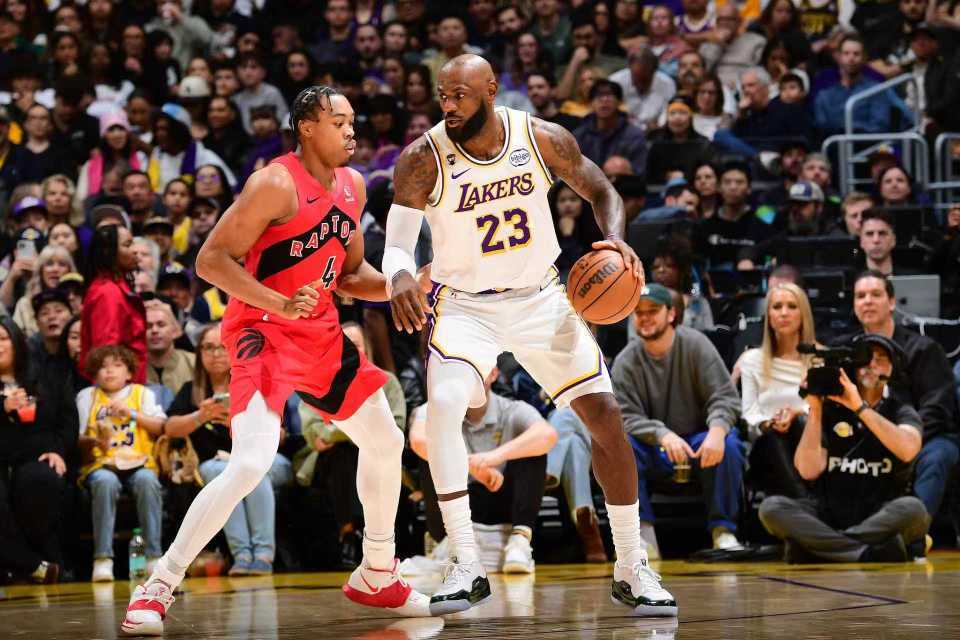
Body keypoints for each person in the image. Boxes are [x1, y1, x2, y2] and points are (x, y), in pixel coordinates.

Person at [122, 85, 431, 637]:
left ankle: (377, 572)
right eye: (339, 122)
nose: (351, 131)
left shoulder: (354, 185)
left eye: (353, 122)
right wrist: (280, 302)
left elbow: (350, 277)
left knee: (385, 439)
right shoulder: (274, 183)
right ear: (307, 127)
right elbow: (210, 261)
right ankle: (159, 584)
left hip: (319, 334)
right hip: (261, 331)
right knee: (249, 463)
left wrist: (404, 284)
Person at [386, 54, 676, 616]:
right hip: (465, 304)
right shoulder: (423, 157)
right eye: (443, 95)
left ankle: (631, 565)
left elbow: (603, 191)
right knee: (443, 408)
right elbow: (397, 243)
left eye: (460, 95)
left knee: (605, 418)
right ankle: (466, 563)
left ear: (491, 90)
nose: (449, 106)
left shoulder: (540, 138)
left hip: (541, 297)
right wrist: (399, 274)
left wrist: (616, 239)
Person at [759, 334, 930, 563]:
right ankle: (865, 552)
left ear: (892, 369)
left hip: (880, 513)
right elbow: (808, 471)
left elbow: (908, 449)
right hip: (827, 514)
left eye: (881, 358)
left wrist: (860, 408)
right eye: (865, 357)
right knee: (771, 508)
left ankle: (818, 549)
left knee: (914, 510)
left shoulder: (901, 410)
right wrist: (816, 409)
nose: (871, 364)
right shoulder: (829, 410)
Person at [613, 284, 745, 558]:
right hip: (653, 447)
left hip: (698, 440)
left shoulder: (696, 344)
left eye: (653, 311)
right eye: (639, 312)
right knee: (621, 447)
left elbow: (724, 397)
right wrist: (661, 434)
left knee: (729, 443)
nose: (645, 318)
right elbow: (624, 416)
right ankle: (643, 537)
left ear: (671, 314)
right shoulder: (626, 360)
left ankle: (723, 531)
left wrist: (717, 430)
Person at [163, 323, 290, 576]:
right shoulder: (192, 390)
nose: (216, 354)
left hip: (265, 458)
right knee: (221, 472)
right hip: (216, 462)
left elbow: (282, 434)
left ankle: (263, 554)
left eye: (223, 347)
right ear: (199, 353)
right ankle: (242, 555)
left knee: (252, 470)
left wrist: (239, 420)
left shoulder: (255, 383)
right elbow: (170, 428)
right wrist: (201, 416)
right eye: (208, 347)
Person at [409, 368, 557, 574]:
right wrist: (471, 465)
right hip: (458, 504)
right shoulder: (438, 407)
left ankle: (520, 540)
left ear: (494, 373)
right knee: (431, 451)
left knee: (534, 447)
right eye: (466, 369)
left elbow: (548, 435)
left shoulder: (512, 409)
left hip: (504, 501)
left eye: (479, 368)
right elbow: (417, 440)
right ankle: (444, 543)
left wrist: (492, 458)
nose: (473, 377)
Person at [850, 271, 959, 538]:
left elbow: (937, 409)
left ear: (891, 302)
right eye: (860, 296)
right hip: (863, 436)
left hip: (922, 437)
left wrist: (901, 439)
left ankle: (912, 534)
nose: (867, 301)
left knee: (939, 456)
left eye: (876, 294)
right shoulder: (846, 351)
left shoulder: (924, 349)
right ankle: (845, 529)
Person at [293, 321, 407, 570]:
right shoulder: (314, 380)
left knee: (371, 449)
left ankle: (367, 541)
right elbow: (314, 434)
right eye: (343, 344)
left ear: (367, 348)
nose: (350, 349)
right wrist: (366, 432)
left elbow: (397, 428)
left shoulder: (386, 381)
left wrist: (339, 433)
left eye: (355, 344)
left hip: (370, 453)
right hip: (327, 462)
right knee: (347, 453)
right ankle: (350, 533)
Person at [78, 344, 167, 582]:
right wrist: (94, 441)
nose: (109, 371)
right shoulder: (87, 396)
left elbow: (161, 427)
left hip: (139, 462)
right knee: (105, 482)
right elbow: (77, 439)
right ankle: (102, 559)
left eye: (117, 365)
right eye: (103, 367)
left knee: (147, 481)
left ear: (128, 372)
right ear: (94, 374)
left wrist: (132, 414)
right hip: (101, 464)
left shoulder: (142, 394)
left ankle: (154, 557)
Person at [0, 316, 77, 584]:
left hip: (37, 455)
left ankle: (40, 560)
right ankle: (32, 565)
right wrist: (3, 407)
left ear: (16, 342)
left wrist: (58, 450)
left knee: (40, 480)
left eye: (3, 339)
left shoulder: (45, 375)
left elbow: (67, 420)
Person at [739, 283, 815, 498]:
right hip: (767, 449)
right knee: (774, 437)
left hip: (811, 446)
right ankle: (805, 502)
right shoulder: (751, 360)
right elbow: (749, 413)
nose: (784, 313)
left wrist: (797, 413)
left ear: (803, 314)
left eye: (792, 306)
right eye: (777, 307)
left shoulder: (820, 359)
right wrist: (768, 423)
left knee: (801, 424)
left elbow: (829, 411)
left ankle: (803, 502)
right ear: (769, 316)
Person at [80, 223, 147, 384]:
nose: (135, 250)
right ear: (108, 251)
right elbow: (106, 353)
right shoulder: (108, 293)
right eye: (127, 245)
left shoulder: (114, 288)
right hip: (117, 390)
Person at [145, 302, 195, 396]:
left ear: (175, 330)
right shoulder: (131, 367)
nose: (154, 330)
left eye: (161, 325)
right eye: (148, 326)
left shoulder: (194, 363)